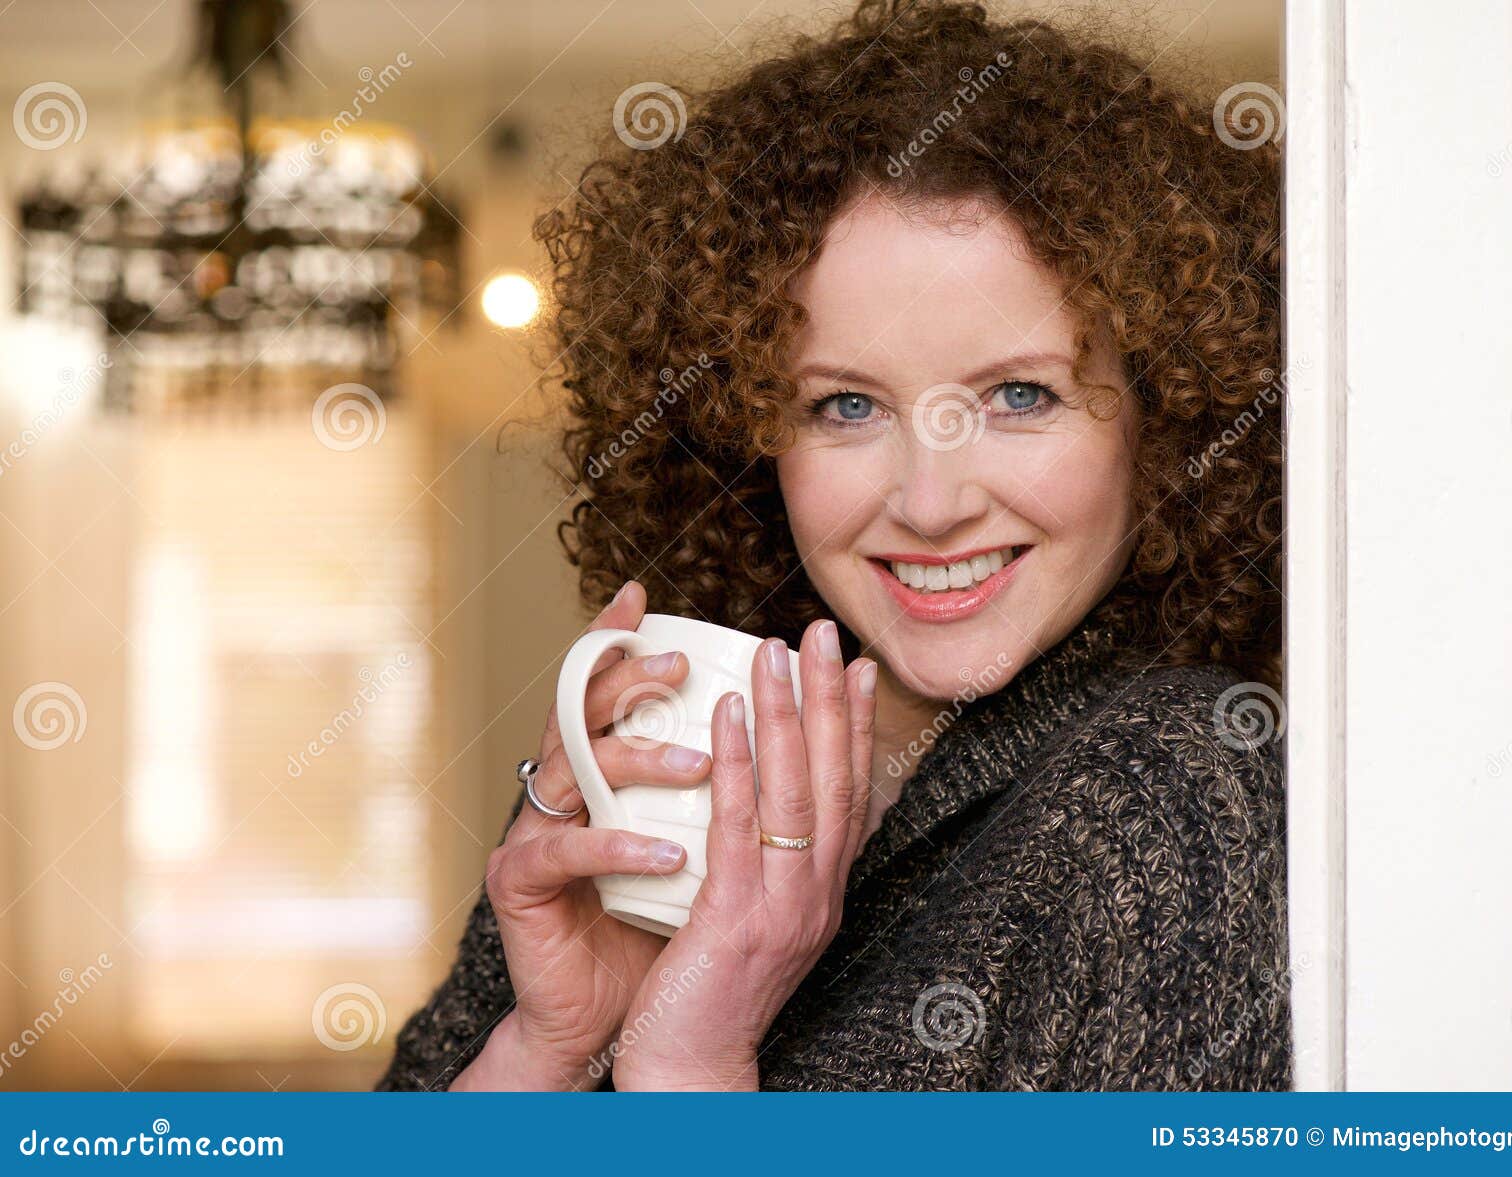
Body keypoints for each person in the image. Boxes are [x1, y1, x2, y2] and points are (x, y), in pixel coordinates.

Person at [377, 0, 1287, 1091]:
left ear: (1168, 411)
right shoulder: (677, 774)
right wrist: (553, 1044)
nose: (931, 501)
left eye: (1017, 394)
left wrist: (690, 1061)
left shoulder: (1174, 794)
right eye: (846, 406)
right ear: (749, 432)